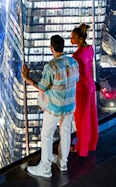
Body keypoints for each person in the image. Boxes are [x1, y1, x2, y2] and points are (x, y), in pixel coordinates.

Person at [21, 34, 79, 178]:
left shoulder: (51, 66)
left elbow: (42, 87)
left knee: (46, 135)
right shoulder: (73, 62)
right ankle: (63, 162)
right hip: (70, 105)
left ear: (51, 48)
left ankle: (45, 168)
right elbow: (75, 80)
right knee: (65, 132)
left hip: (55, 107)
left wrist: (27, 78)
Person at [71, 23, 99, 157]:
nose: (71, 40)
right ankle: (91, 143)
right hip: (91, 85)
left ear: (79, 39)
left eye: (73, 37)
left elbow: (75, 75)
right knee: (91, 115)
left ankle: (81, 147)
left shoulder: (76, 55)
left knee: (81, 118)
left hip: (82, 86)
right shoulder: (90, 49)